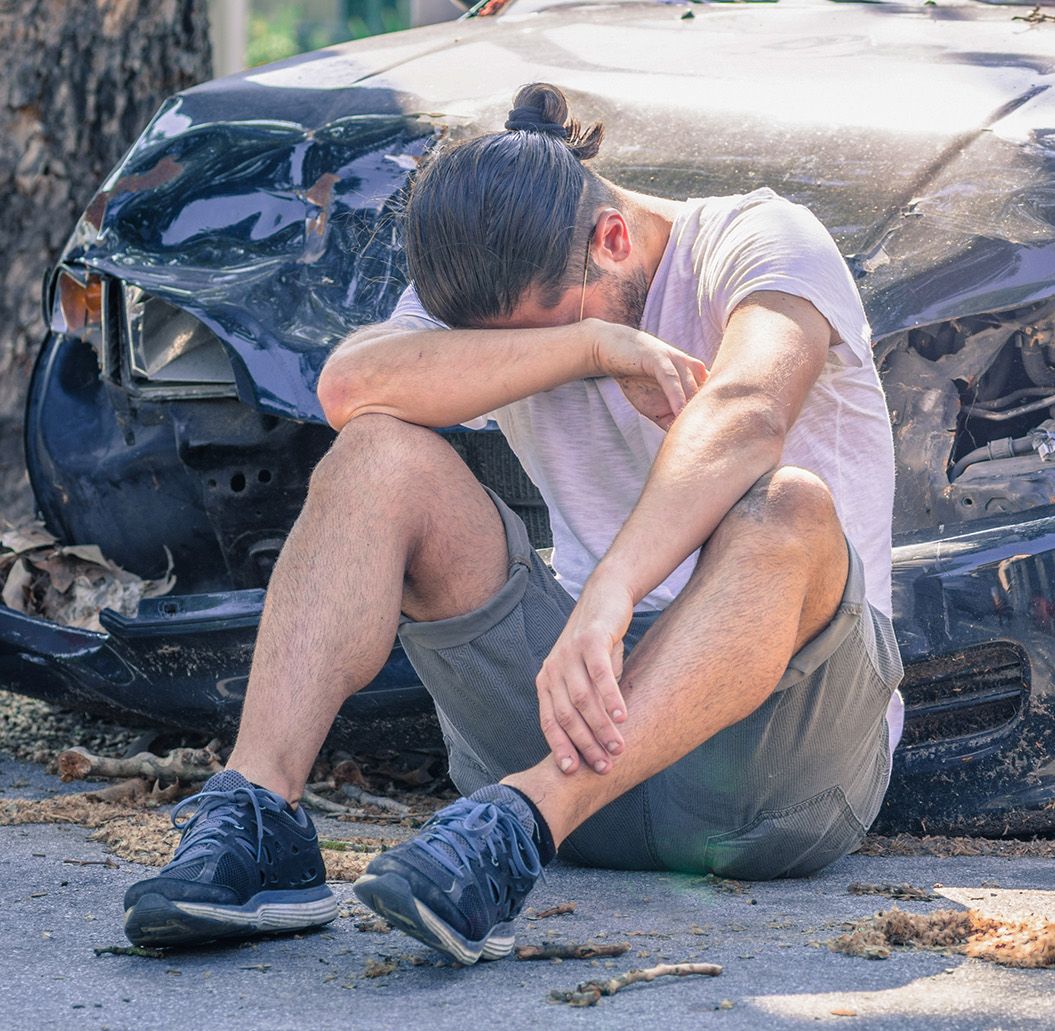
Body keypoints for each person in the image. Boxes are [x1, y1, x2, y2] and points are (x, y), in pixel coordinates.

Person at [119, 82, 904, 964]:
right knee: (378, 449)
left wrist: (614, 590)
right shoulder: (509, 287)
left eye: (553, 327)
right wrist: (585, 343)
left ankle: (526, 819)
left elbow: (749, 408)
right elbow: (348, 387)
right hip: (573, 721)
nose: (534, 357)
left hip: (777, 775)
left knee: (789, 504)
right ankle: (261, 815)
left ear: (613, 239)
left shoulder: (762, 238)